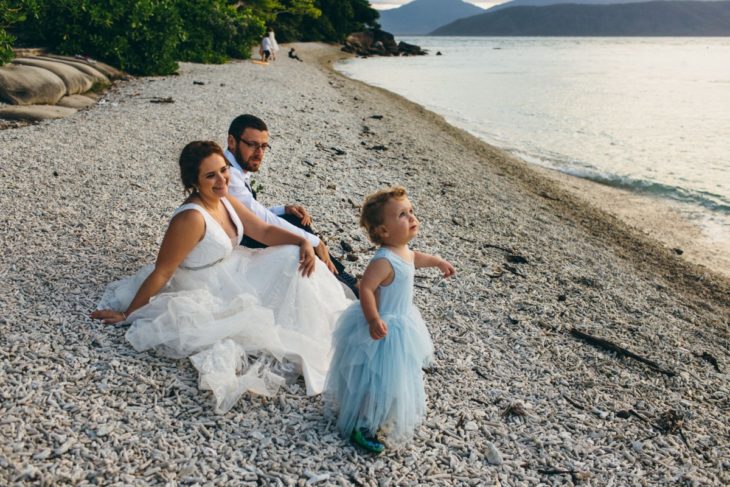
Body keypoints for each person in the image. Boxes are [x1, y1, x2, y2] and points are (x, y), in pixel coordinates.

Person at [91, 141, 354, 413]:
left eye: (224, 170)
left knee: (293, 257)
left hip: (238, 267)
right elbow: (163, 271)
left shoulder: (224, 197)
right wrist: (129, 314)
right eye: (210, 175)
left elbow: (263, 231)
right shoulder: (191, 218)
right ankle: (321, 337)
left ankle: (333, 326)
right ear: (194, 181)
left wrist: (304, 242)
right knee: (284, 286)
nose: (221, 179)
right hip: (209, 286)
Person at [324, 186, 456, 453]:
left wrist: (438, 261)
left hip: (401, 325)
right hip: (382, 327)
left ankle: (379, 414)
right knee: (374, 380)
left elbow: (416, 259)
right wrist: (373, 319)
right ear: (383, 231)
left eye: (411, 211)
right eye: (402, 215)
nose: (411, 217)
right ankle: (361, 423)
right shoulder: (383, 260)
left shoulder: (403, 251)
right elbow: (366, 288)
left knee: (394, 378)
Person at [224, 114, 359, 297]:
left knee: (292, 218)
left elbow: (248, 209)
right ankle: (345, 284)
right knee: (297, 232)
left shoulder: (232, 168)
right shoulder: (227, 175)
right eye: (253, 145)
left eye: (264, 146)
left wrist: (282, 209)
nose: (259, 153)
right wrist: (314, 241)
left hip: (244, 229)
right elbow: (259, 219)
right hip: (238, 242)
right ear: (232, 141)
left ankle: (343, 278)